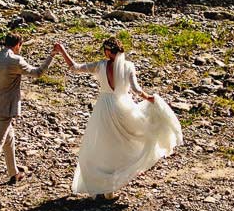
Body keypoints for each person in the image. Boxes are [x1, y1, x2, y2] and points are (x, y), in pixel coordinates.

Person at [55, 37, 182, 199]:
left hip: (103, 108)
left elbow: (74, 67)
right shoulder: (128, 66)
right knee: (125, 143)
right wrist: (149, 98)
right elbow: (136, 90)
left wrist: (62, 50)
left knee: (103, 146)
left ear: (108, 52)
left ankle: (103, 186)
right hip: (123, 108)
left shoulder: (100, 65)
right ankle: (111, 188)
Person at [0, 33, 54, 203]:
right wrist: (51, 56)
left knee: (9, 138)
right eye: (20, 46)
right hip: (4, 111)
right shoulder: (15, 61)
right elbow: (38, 73)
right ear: (17, 45)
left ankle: (14, 173)